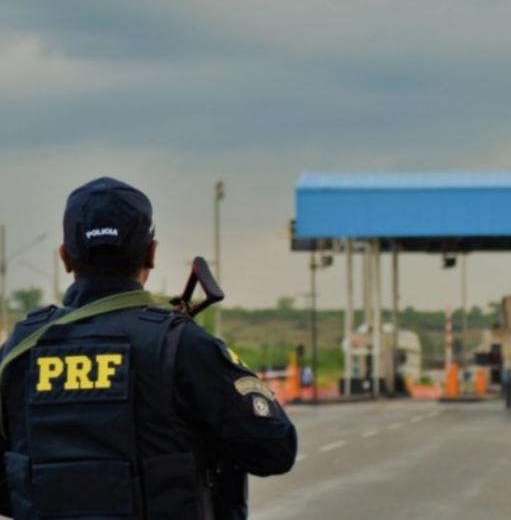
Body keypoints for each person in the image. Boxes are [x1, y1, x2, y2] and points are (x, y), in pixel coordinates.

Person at [0, 177, 297, 519]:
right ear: (152, 254)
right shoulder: (182, 345)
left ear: (65, 257)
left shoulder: (18, 353)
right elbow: (276, 449)